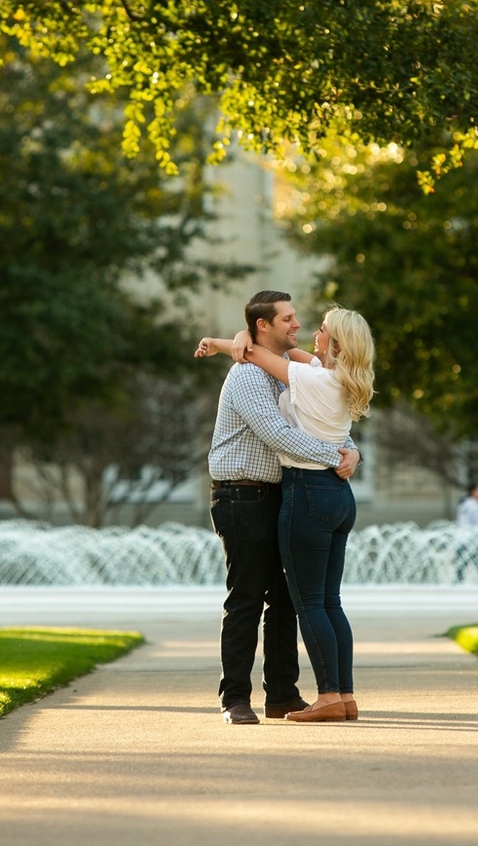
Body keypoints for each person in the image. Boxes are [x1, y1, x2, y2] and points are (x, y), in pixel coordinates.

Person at [197, 305, 375, 723]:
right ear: (263, 325)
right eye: (288, 319)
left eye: (307, 322)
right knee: (248, 598)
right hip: (243, 497)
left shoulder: (305, 373)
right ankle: (235, 698)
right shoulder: (249, 374)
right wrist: (340, 455)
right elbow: (279, 433)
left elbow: (324, 426)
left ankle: (282, 693)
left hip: (291, 494)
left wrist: (351, 450)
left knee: (289, 601)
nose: (299, 325)